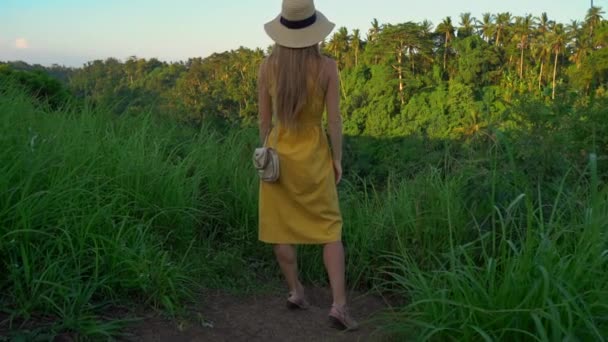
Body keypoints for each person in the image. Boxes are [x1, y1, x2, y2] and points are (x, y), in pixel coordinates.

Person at [257, 0, 358, 331]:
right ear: (314, 31)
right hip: (314, 155)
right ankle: (339, 306)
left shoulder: (267, 67)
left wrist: (267, 149)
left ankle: (296, 290)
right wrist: (337, 158)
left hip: (279, 156)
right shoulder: (327, 67)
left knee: (280, 227)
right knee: (330, 229)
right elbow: (335, 122)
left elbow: (264, 121)